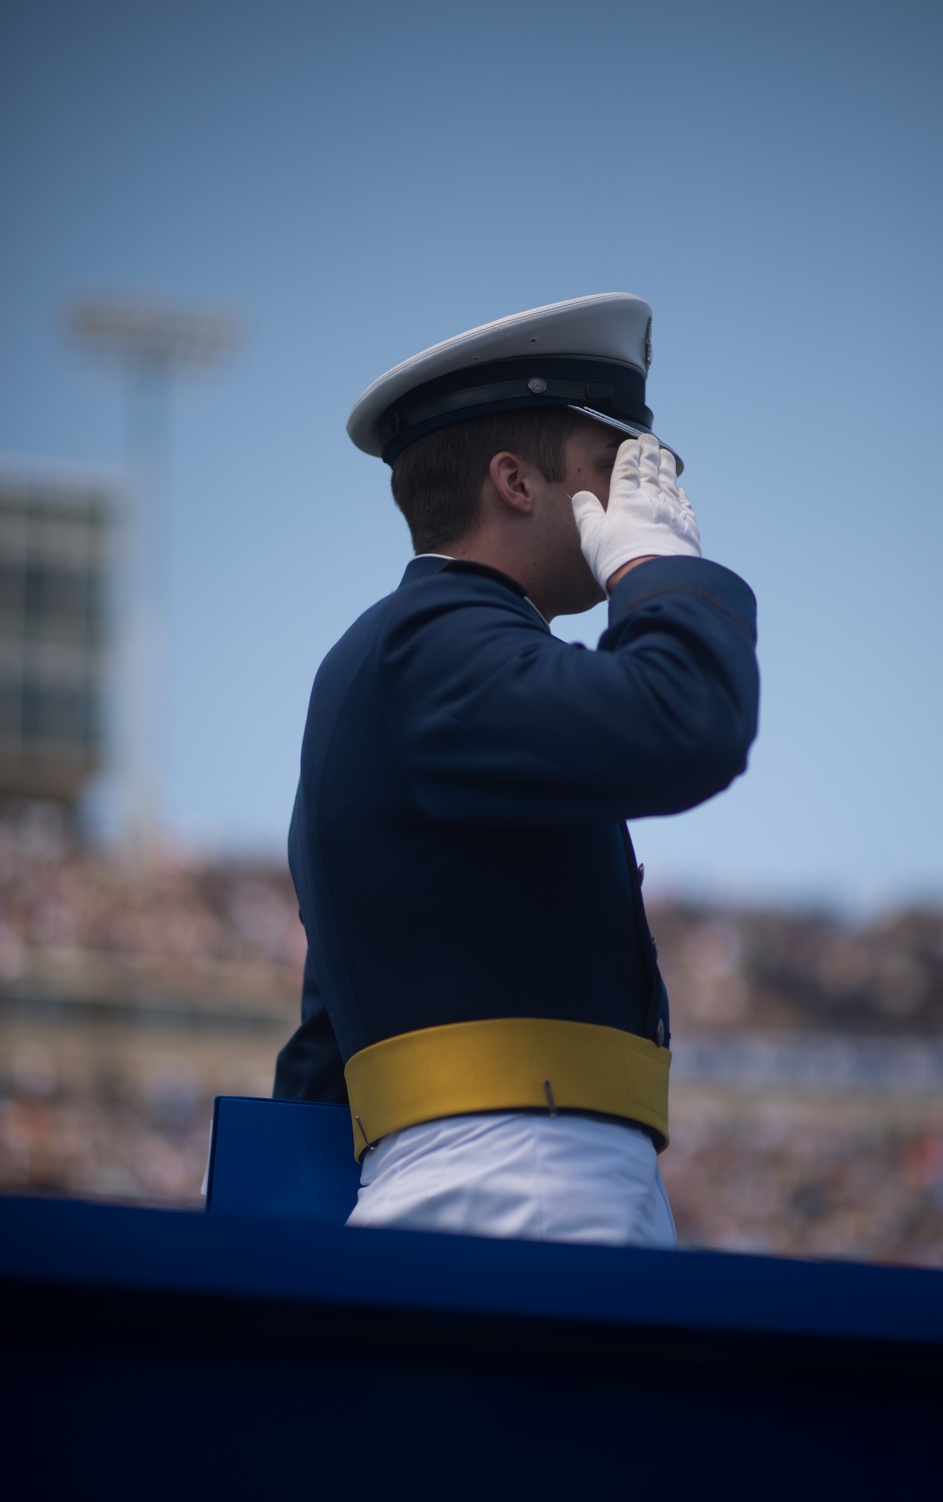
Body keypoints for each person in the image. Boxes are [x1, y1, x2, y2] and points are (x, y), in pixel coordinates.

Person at [273, 293, 759, 1247]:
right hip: (521, 1179)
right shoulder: (438, 640)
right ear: (515, 482)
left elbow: (332, 1037)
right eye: (612, 468)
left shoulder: (411, 656)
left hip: (495, 1172)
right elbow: (688, 720)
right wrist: (656, 566)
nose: (637, 495)